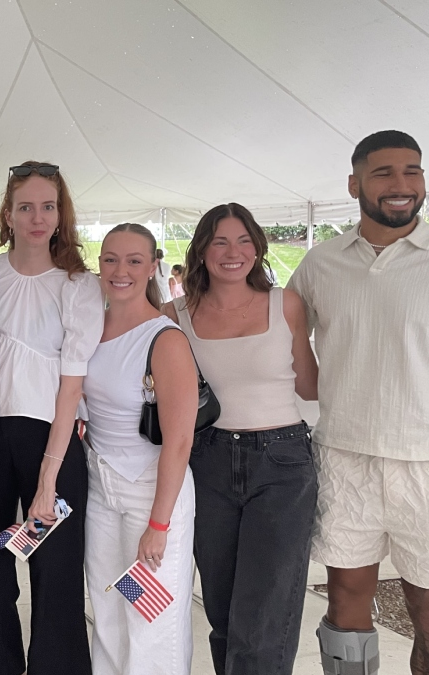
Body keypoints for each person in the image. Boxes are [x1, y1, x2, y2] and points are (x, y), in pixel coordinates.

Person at [287, 130, 429, 675]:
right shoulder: (321, 263)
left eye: (413, 171)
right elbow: (271, 326)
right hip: (345, 454)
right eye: (384, 173)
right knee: (346, 602)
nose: (402, 184)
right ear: (354, 184)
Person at [162, 204, 318, 675]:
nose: (233, 252)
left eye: (244, 240)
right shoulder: (175, 314)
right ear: (201, 250)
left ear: (257, 248)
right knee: (223, 610)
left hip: (281, 462)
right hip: (206, 461)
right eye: (220, 241)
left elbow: (310, 385)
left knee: (264, 613)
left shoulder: (285, 304)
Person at [0, 162, 102, 675]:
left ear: (61, 215)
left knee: (56, 574)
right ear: (8, 214)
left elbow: (71, 388)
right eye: (26, 207)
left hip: (52, 440)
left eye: (48, 207)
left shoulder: (78, 285)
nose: (37, 218)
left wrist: (48, 479)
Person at [83, 224, 198, 675]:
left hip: (150, 494)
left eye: (134, 261)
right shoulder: (89, 327)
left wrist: (158, 524)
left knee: (152, 622)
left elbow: (180, 440)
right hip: (101, 489)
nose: (121, 271)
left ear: (152, 267)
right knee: (110, 609)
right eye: (111, 259)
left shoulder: (163, 338)